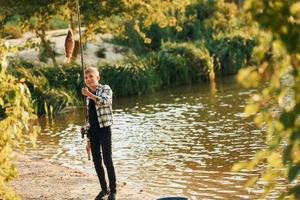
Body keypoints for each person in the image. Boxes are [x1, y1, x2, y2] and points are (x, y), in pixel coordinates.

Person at [81, 67, 117, 200]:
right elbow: (89, 118)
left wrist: (89, 95)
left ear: (98, 77)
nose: (88, 79)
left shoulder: (105, 89)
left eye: (91, 76)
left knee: (107, 160)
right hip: (93, 132)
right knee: (97, 161)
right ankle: (104, 189)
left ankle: (113, 191)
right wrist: (88, 140)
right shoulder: (87, 96)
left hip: (105, 129)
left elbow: (104, 102)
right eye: (86, 77)